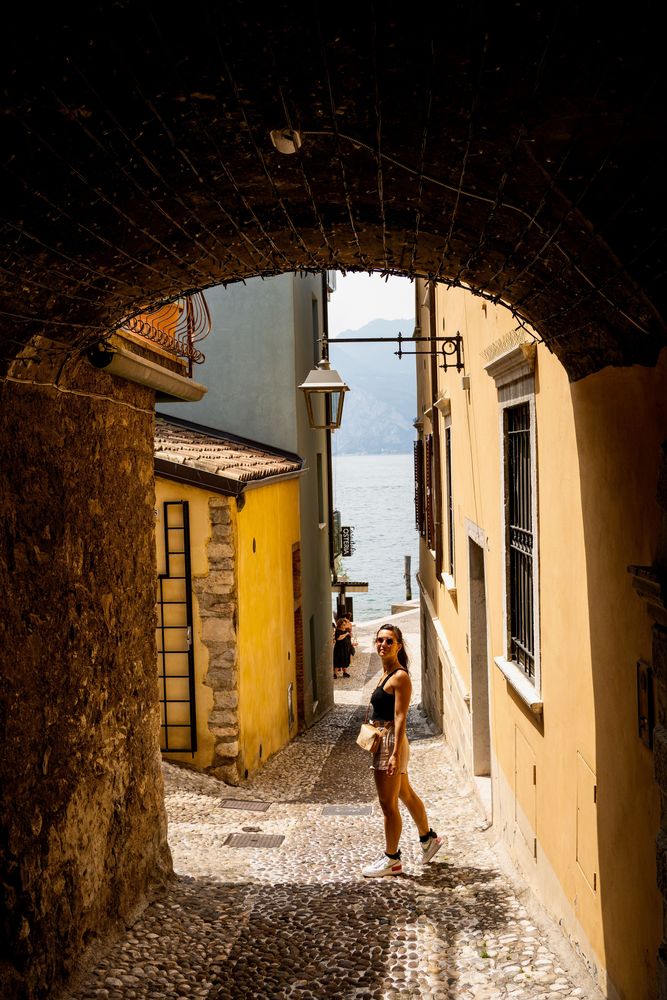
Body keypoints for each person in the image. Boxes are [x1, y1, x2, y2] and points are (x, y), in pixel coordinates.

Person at [361, 623, 442, 877]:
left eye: (388, 641)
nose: (382, 645)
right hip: (386, 739)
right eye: (380, 640)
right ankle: (428, 839)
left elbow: (400, 718)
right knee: (405, 792)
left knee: (387, 803)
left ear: (399, 645)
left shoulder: (400, 677)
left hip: (391, 741)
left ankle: (392, 859)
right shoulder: (385, 673)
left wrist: (395, 753)